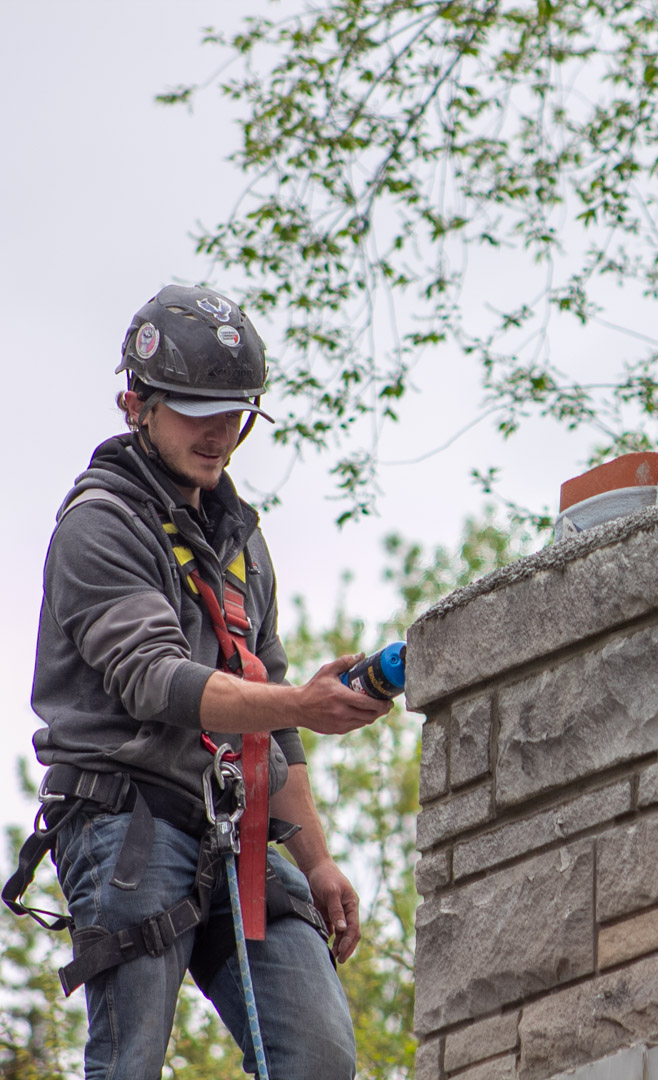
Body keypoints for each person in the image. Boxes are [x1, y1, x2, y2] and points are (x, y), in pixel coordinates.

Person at [23, 285, 389, 1079]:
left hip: (237, 824)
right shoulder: (101, 525)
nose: (220, 431)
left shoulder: (238, 542)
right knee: (130, 1064)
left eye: (234, 410)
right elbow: (157, 681)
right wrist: (302, 704)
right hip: (130, 818)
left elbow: (271, 723)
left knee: (319, 1058)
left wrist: (318, 860)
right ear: (137, 403)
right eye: (195, 409)